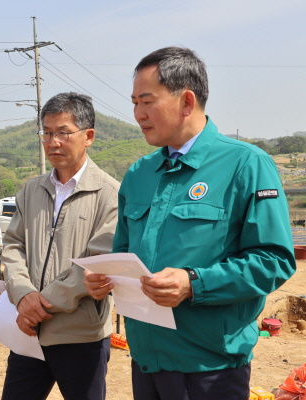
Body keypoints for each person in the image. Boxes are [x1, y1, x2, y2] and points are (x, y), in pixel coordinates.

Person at [84, 47, 296, 400]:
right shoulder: (139, 174)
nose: (138, 114)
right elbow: (123, 253)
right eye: (134, 103)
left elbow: (274, 260)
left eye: (147, 101)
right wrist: (106, 278)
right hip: (146, 360)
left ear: (186, 101)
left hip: (209, 367)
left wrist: (193, 283)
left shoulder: (245, 165)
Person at [1, 92, 120, 400]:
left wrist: (37, 306)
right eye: (47, 132)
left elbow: (96, 264)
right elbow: (13, 246)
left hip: (81, 336)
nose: (53, 142)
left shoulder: (110, 194)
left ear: (88, 136)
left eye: (63, 132)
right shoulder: (32, 190)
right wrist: (23, 295)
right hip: (29, 333)